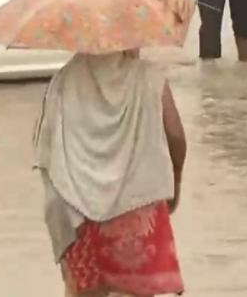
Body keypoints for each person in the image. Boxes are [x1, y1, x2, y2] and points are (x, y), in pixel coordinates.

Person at [36, 50, 187, 297]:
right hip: (139, 209)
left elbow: (47, 147)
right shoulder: (149, 77)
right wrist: (176, 181)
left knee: (85, 292)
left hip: (79, 211)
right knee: (139, 291)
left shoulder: (64, 80)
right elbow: (176, 137)